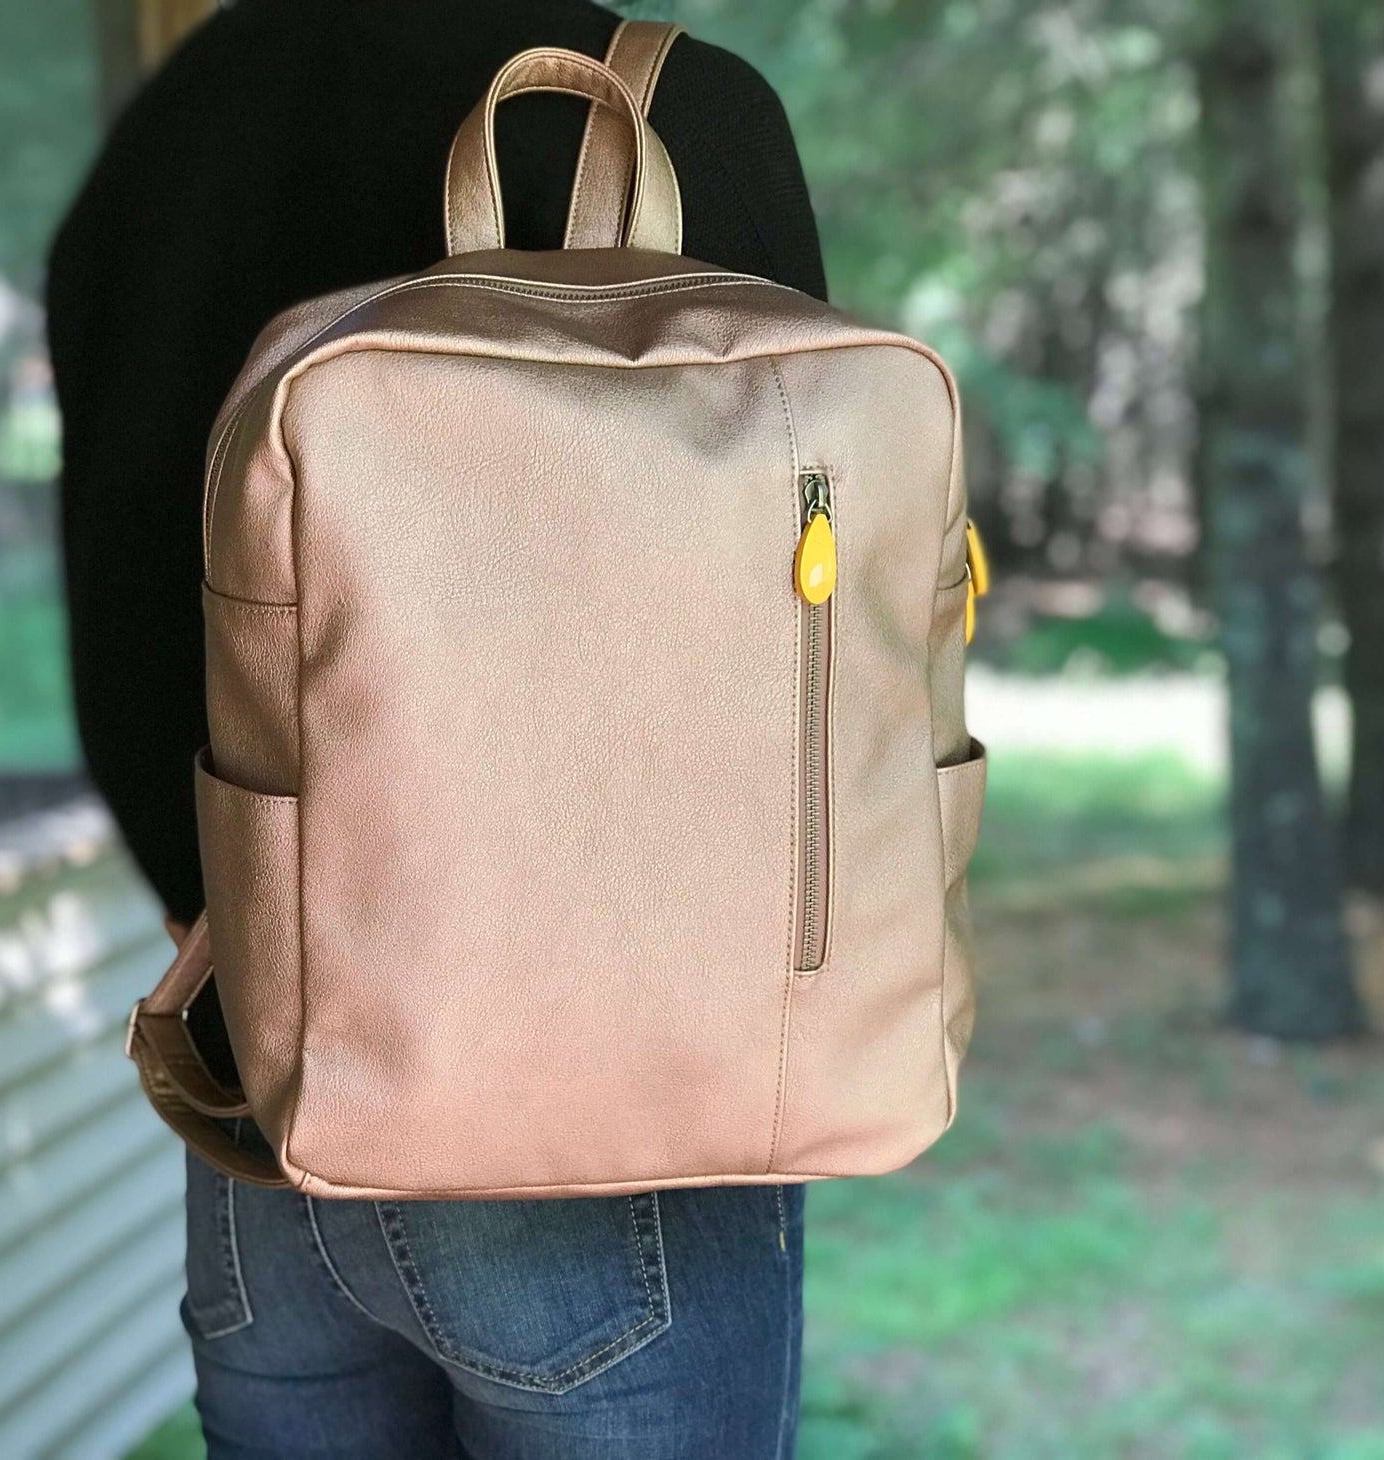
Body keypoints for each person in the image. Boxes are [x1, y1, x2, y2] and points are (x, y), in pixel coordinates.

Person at [48, 1, 828, 1454]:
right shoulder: (677, 112)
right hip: (607, 1126)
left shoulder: (183, 115)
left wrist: (244, 941)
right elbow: (777, 667)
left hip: (261, 1105)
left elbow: (121, 600)